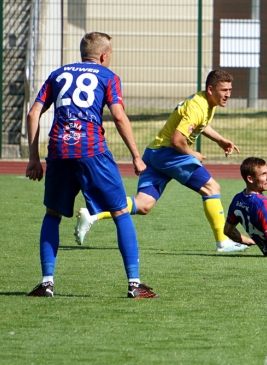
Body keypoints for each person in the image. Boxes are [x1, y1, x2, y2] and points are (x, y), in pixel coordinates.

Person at [25, 32, 157, 298]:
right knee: (120, 212)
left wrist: (33, 158)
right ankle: (134, 284)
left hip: (59, 150)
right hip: (91, 150)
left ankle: (47, 282)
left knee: (53, 214)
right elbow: (119, 117)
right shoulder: (108, 77)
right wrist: (136, 155)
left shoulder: (57, 75)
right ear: (104, 55)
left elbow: (33, 112)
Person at [74, 69, 253, 253]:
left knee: (143, 205)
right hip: (170, 154)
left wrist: (220, 140)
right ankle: (222, 242)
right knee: (212, 188)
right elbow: (177, 141)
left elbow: (202, 124)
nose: (228, 94)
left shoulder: (206, 103)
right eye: (224, 90)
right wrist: (193, 154)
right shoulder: (198, 107)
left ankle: (93, 213)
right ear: (210, 89)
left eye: (230, 90)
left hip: (154, 152)